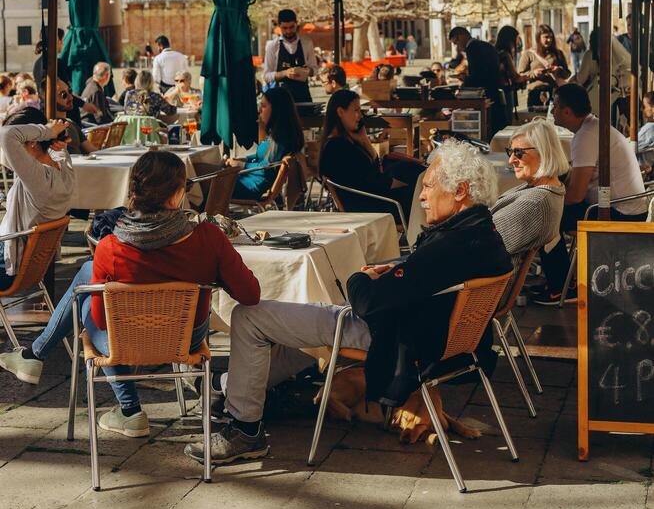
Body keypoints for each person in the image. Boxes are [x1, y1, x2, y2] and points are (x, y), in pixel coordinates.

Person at [184, 139, 511, 467]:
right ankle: (233, 389)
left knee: (249, 316)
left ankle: (245, 430)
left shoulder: (450, 244)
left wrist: (360, 276)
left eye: (427, 187)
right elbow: (424, 279)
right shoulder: (483, 234)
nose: (422, 196)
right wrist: (399, 270)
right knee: (297, 318)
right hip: (437, 340)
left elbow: (369, 303)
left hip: (396, 339)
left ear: (460, 191)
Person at [0, 151, 261, 436]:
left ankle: (127, 408)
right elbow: (250, 294)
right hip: (185, 340)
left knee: (85, 297)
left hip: (123, 342)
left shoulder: (111, 247)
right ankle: (35, 357)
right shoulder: (210, 238)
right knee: (88, 282)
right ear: (175, 197)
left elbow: (99, 320)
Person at [533, 84, 649, 305]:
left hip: (619, 211)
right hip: (626, 205)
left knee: (545, 219)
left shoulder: (586, 135)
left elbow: (575, 195)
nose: (553, 111)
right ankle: (561, 280)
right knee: (550, 211)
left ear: (567, 111)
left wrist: (545, 199)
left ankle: (561, 288)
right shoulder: (592, 127)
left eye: (555, 106)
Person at [319, 89, 423, 222]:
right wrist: (395, 184)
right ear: (340, 112)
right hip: (367, 205)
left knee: (414, 182)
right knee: (418, 194)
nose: (360, 116)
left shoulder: (342, 142)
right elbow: (370, 180)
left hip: (368, 199)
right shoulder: (337, 147)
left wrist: (364, 140)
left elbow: (371, 171)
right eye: (356, 110)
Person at [0, 115, 74, 283]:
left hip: (9, 263)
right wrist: (56, 141)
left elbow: (5, 135)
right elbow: (60, 154)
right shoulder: (65, 169)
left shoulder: (38, 178)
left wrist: (47, 131)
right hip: (35, 265)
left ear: (33, 141)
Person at [490, 120, 567, 281]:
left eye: (518, 152)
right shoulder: (544, 190)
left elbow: (484, 248)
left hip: (476, 294)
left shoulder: (535, 203)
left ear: (544, 153)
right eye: (509, 152)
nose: (511, 160)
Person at [225, 87, 304, 200]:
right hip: (249, 180)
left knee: (207, 186)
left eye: (263, 106)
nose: (259, 110)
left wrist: (241, 165)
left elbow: (267, 167)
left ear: (276, 109)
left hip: (253, 187)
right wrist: (241, 159)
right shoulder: (278, 133)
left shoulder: (280, 138)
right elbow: (261, 157)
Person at [449, 26, 505, 137]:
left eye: (456, 43)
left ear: (461, 37)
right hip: (495, 92)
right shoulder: (485, 45)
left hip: (487, 93)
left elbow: (479, 76)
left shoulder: (472, 48)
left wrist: (465, 79)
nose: (457, 47)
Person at [262, 9, 318, 104]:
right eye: (285, 28)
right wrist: (285, 73)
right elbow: (266, 76)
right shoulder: (273, 46)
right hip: (280, 97)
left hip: (303, 95)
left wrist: (308, 71)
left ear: (296, 24)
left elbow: (315, 69)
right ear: (279, 26)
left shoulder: (307, 43)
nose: (288, 31)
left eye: (291, 27)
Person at [575, 29, 631, 123]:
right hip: (617, 99)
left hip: (598, 99)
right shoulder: (617, 56)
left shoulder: (590, 55)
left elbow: (581, 79)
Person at [518, 24, 570, 110]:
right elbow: (520, 75)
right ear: (538, 38)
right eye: (546, 37)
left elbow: (567, 73)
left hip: (554, 93)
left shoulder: (558, 53)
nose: (549, 40)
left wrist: (558, 70)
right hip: (535, 93)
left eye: (551, 37)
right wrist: (534, 73)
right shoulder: (528, 54)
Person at [495, 26, 526, 126]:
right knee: (507, 122)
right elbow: (515, 77)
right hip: (507, 92)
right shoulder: (505, 55)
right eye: (517, 38)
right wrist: (531, 75)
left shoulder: (496, 52)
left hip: (498, 92)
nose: (518, 42)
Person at [637, 92, 654, 167]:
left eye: (644, 106)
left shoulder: (650, 128)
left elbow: (627, 148)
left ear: (653, 109)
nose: (641, 109)